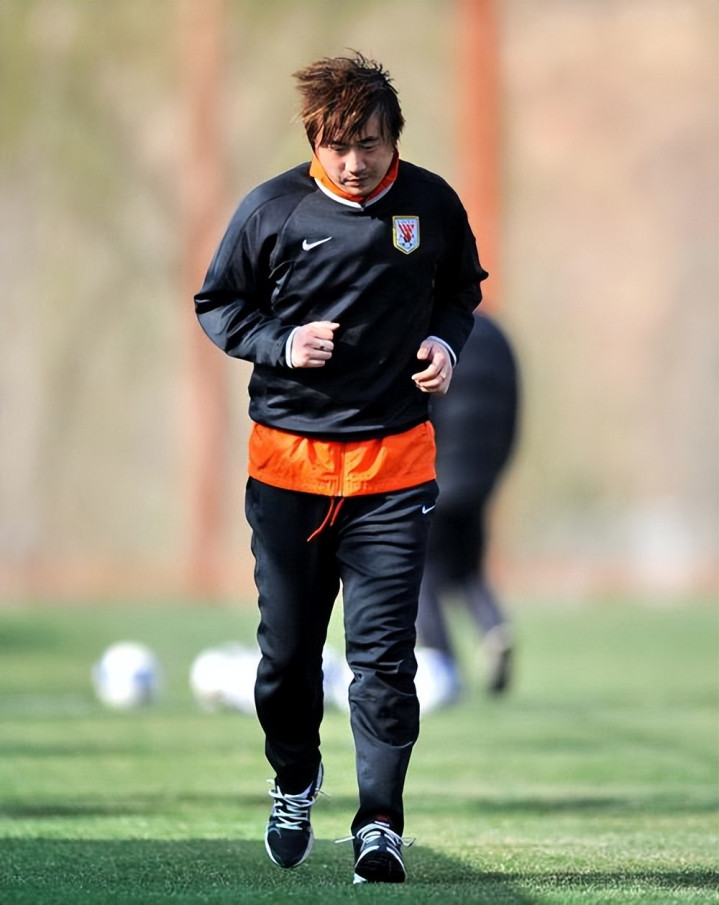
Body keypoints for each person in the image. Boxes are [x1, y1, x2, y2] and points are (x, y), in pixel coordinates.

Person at [194, 52, 487, 885]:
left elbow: (460, 290)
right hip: (288, 472)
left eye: (368, 143)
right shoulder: (271, 210)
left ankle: (380, 825)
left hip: (393, 471)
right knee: (286, 660)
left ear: (395, 137)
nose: (353, 161)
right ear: (312, 141)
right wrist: (281, 342)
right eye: (336, 145)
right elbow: (218, 303)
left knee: (384, 659)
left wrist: (444, 343)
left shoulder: (430, 204)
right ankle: (294, 776)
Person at [415, 312, 520, 706]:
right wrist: (496, 466)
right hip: (482, 473)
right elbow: (515, 407)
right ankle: (494, 626)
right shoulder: (496, 335)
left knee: (420, 569)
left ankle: (444, 667)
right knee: (467, 566)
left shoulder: (427, 336)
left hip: (435, 470)